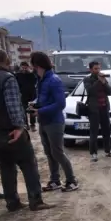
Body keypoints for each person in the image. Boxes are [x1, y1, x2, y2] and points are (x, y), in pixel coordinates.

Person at [0, 49, 54, 211]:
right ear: (6, 60)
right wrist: (19, 126)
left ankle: (12, 202)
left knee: (6, 166)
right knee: (28, 164)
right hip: (11, 131)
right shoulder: (8, 79)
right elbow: (13, 105)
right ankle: (35, 200)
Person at [30, 51, 79, 192]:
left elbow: (60, 104)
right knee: (49, 153)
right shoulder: (41, 80)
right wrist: (34, 104)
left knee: (57, 152)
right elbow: (42, 99)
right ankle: (55, 180)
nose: (33, 68)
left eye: (34, 65)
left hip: (54, 122)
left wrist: (40, 111)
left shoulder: (54, 80)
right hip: (44, 122)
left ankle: (71, 180)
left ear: (38, 65)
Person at [83, 61, 111, 162]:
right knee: (94, 132)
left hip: (104, 107)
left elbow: (110, 91)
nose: (98, 71)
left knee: (106, 130)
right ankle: (93, 153)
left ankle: (108, 150)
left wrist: (104, 82)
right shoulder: (87, 79)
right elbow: (90, 91)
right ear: (90, 70)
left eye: (99, 68)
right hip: (94, 109)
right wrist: (99, 81)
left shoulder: (103, 78)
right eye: (95, 69)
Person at [15, 61, 37, 132]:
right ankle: (26, 124)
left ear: (28, 67)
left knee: (32, 110)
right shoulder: (18, 75)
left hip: (31, 95)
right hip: (22, 95)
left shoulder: (31, 75)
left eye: (25, 67)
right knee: (23, 111)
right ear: (20, 67)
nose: (24, 69)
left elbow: (35, 82)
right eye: (23, 67)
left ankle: (32, 125)